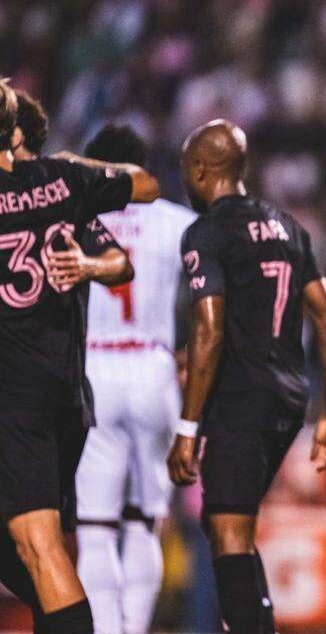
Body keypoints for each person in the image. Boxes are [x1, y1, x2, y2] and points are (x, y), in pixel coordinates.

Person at [166, 119, 326, 634]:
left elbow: (210, 331)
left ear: (200, 169)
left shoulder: (206, 232)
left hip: (240, 400)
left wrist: (187, 428)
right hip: (288, 398)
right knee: (228, 525)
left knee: (227, 532)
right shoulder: (288, 226)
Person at [0, 79, 159, 634]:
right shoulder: (63, 183)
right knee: (41, 549)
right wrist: (76, 163)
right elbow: (146, 184)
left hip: (15, 400)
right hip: (67, 395)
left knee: (40, 548)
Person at [73, 124, 197, 634]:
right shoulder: (176, 222)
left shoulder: (75, 216)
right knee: (144, 520)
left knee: (95, 525)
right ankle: (135, 625)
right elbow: (213, 290)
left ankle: (106, 629)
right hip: (154, 367)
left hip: (93, 368)